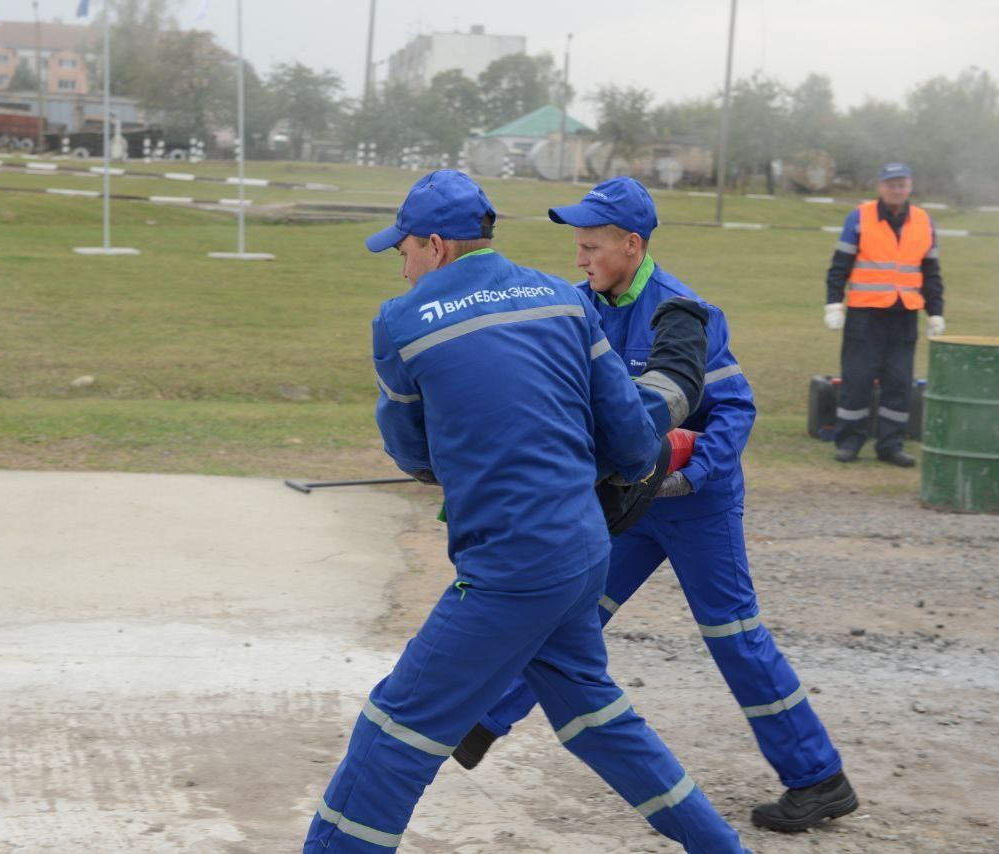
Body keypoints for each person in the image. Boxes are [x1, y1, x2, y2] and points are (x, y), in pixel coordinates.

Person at [303, 170, 748, 852]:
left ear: (436, 247)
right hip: (581, 554)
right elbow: (631, 441)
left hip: (511, 568)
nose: (402, 266)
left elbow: (410, 450)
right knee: (596, 719)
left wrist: (464, 459)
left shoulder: (398, 325)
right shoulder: (560, 300)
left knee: (393, 732)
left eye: (404, 251)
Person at [454, 176, 858, 834]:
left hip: (693, 502)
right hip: (627, 505)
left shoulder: (683, 312)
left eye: (591, 246)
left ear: (632, 245)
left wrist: (687, 478)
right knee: (564, 615)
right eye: (577, 246)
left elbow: (734, 408)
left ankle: (819, 778)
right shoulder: (578, 307)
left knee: (733, 638)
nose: (579, 258)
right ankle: (478, 725)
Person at [824, 161, 945, 466]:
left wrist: (935, 313)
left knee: (899, 381)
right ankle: (849, 441)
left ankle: (891, 445)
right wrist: (834, 303)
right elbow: (840, 266)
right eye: (891, 184)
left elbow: (930, 272)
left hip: (905, 315)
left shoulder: (923, 221)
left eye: (902, 184)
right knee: (857, 379)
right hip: (865, 314)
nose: (897, 189)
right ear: (881, 187)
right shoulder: (860, 217)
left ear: (910, 187)